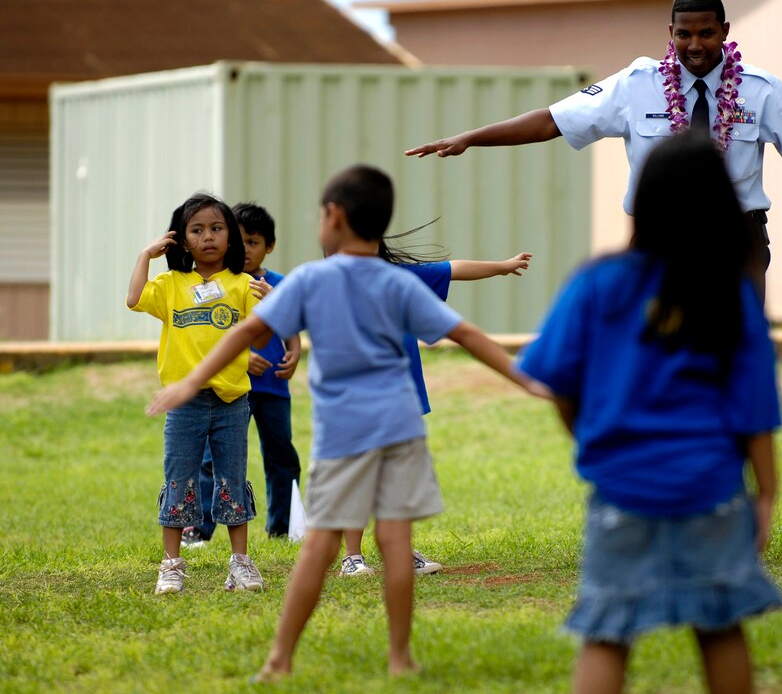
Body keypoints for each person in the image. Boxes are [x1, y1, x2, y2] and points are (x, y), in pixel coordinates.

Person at [146, 164, 544, 680]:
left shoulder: (312, 279)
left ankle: (280, 658)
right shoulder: (396, 281)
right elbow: (465, 334)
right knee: (396, 543)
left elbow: (244, 336)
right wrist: (526, 380)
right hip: (401, 430)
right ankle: (400, 657)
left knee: (319, 547)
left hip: (341, 438)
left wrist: (187, 380)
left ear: (333, 218)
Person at [405, 0, 782, 299]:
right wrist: (471, 139)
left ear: (726, 31)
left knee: (738, 356)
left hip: (736, 238)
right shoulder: (635, 84)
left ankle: (734, 478)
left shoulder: (761, 91)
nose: (695, 45)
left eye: (706, 33)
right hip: (656, 240)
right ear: (671, 34)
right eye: (683, 34)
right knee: (656, 354)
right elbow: (553, 120)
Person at [517, 131, 782, 694]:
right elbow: (755, 410)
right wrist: (765, 495)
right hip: (711, 490)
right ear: (721, 205)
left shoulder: (597, 283)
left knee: (607, 631)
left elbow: (555, 379)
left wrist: (587, 433)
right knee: (719, 626)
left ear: (645, 201)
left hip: (620, 490)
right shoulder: (731, 295)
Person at [339, 227, 533, 577]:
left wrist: (502, 266)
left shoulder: (400, 277)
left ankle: (400, 550)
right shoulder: (331, 286)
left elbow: (455, 268)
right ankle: (352, 558)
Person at [127, 192, 268, 595]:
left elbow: (263, 331)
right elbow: (134, 299)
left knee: (233, 479)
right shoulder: (171, 284)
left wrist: (273, 305)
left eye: (217, 228)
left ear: (230, 237)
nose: (208, 237)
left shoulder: (243, 285)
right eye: (197, 230)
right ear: (182, 239)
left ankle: (240, 563)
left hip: (232, 402)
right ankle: (171, 565)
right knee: (178, 479)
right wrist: (145, 256)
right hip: (183, 404)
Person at [183, 202, 303, 547]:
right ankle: (199, 528)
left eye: (254, 242)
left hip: (273, 388)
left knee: (281, 455)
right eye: (240, 240)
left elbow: (289, 322)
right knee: (211, 459)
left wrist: (294, 351)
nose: (246, 249)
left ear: (270, 246)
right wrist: (241, 357)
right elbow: (208, 333)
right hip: (228, 388)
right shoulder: (219, 284)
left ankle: (282, 526)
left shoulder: (278, 284)